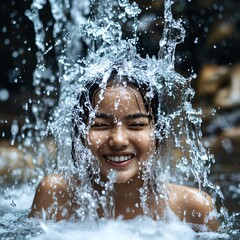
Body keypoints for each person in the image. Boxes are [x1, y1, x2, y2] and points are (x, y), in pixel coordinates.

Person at [29, 60, 219, 231]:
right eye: (100, 125)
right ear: (80, 135)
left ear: (158, 134)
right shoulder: (56, 195)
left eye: (136, 125)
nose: (118, 140)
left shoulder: (193, 209)